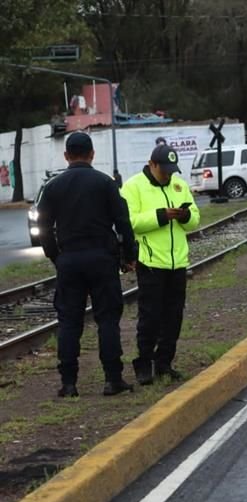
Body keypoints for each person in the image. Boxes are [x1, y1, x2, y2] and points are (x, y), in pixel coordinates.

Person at [36, 132, 138, 397]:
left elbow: (43, 226)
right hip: (102, 259)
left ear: (66, 156)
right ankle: (112, 379)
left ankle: (69, 383)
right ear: (92, 154)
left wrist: (55, 256)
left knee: (69, 321)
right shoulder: (105, 183)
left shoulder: (53, 187)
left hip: (69, 260)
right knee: (107, 319)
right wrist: (130, 254)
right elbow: (123, 222)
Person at [120, 144, 201, 385]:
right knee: (150, 317)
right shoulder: (133, 187)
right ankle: (144, 363)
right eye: (164, 170)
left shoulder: (179, 185)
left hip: (177, 262)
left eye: (171, 170)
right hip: (151, 262)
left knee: (173, 316)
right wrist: (161, 216)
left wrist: (186, 216)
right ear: (152, 164)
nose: (168, 174)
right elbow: (130, 222)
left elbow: (195, 218)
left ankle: (164, 361)